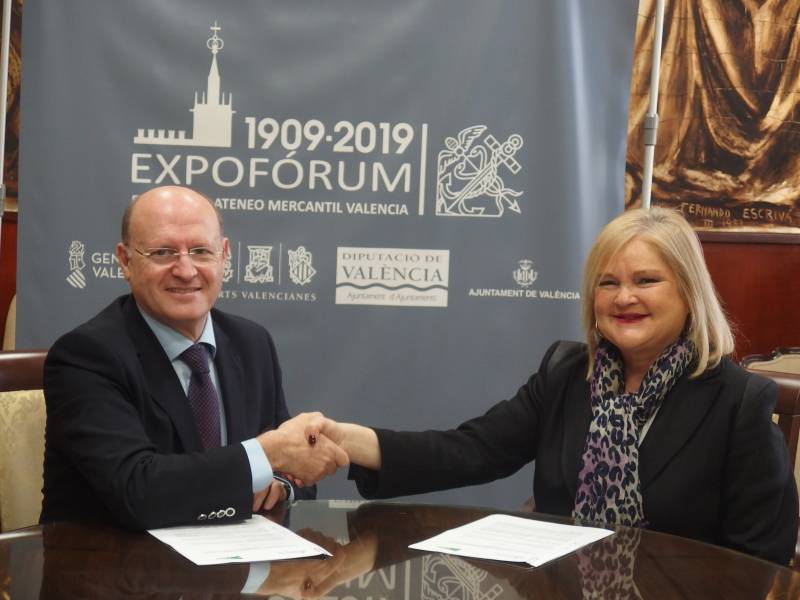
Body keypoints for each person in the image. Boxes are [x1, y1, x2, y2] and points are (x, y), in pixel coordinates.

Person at [312, 207, 799, 564]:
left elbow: (760, 562)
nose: (624, 297)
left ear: (688, 292)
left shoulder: (737, 402)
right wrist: (351, 442)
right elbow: (473, 449)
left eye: (646, 280)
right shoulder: (567, 373)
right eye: (608, 283)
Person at [41, 185, 347, 530]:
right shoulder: (86, 357)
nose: (186, 270)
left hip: (235, 570)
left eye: (201, 251)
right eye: (163, 252)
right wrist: (264, 455)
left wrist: (282, 486)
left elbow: (297, 472)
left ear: (224, 256)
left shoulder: (252, 344)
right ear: (125, 261)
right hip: (118, 570)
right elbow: (138, 492)